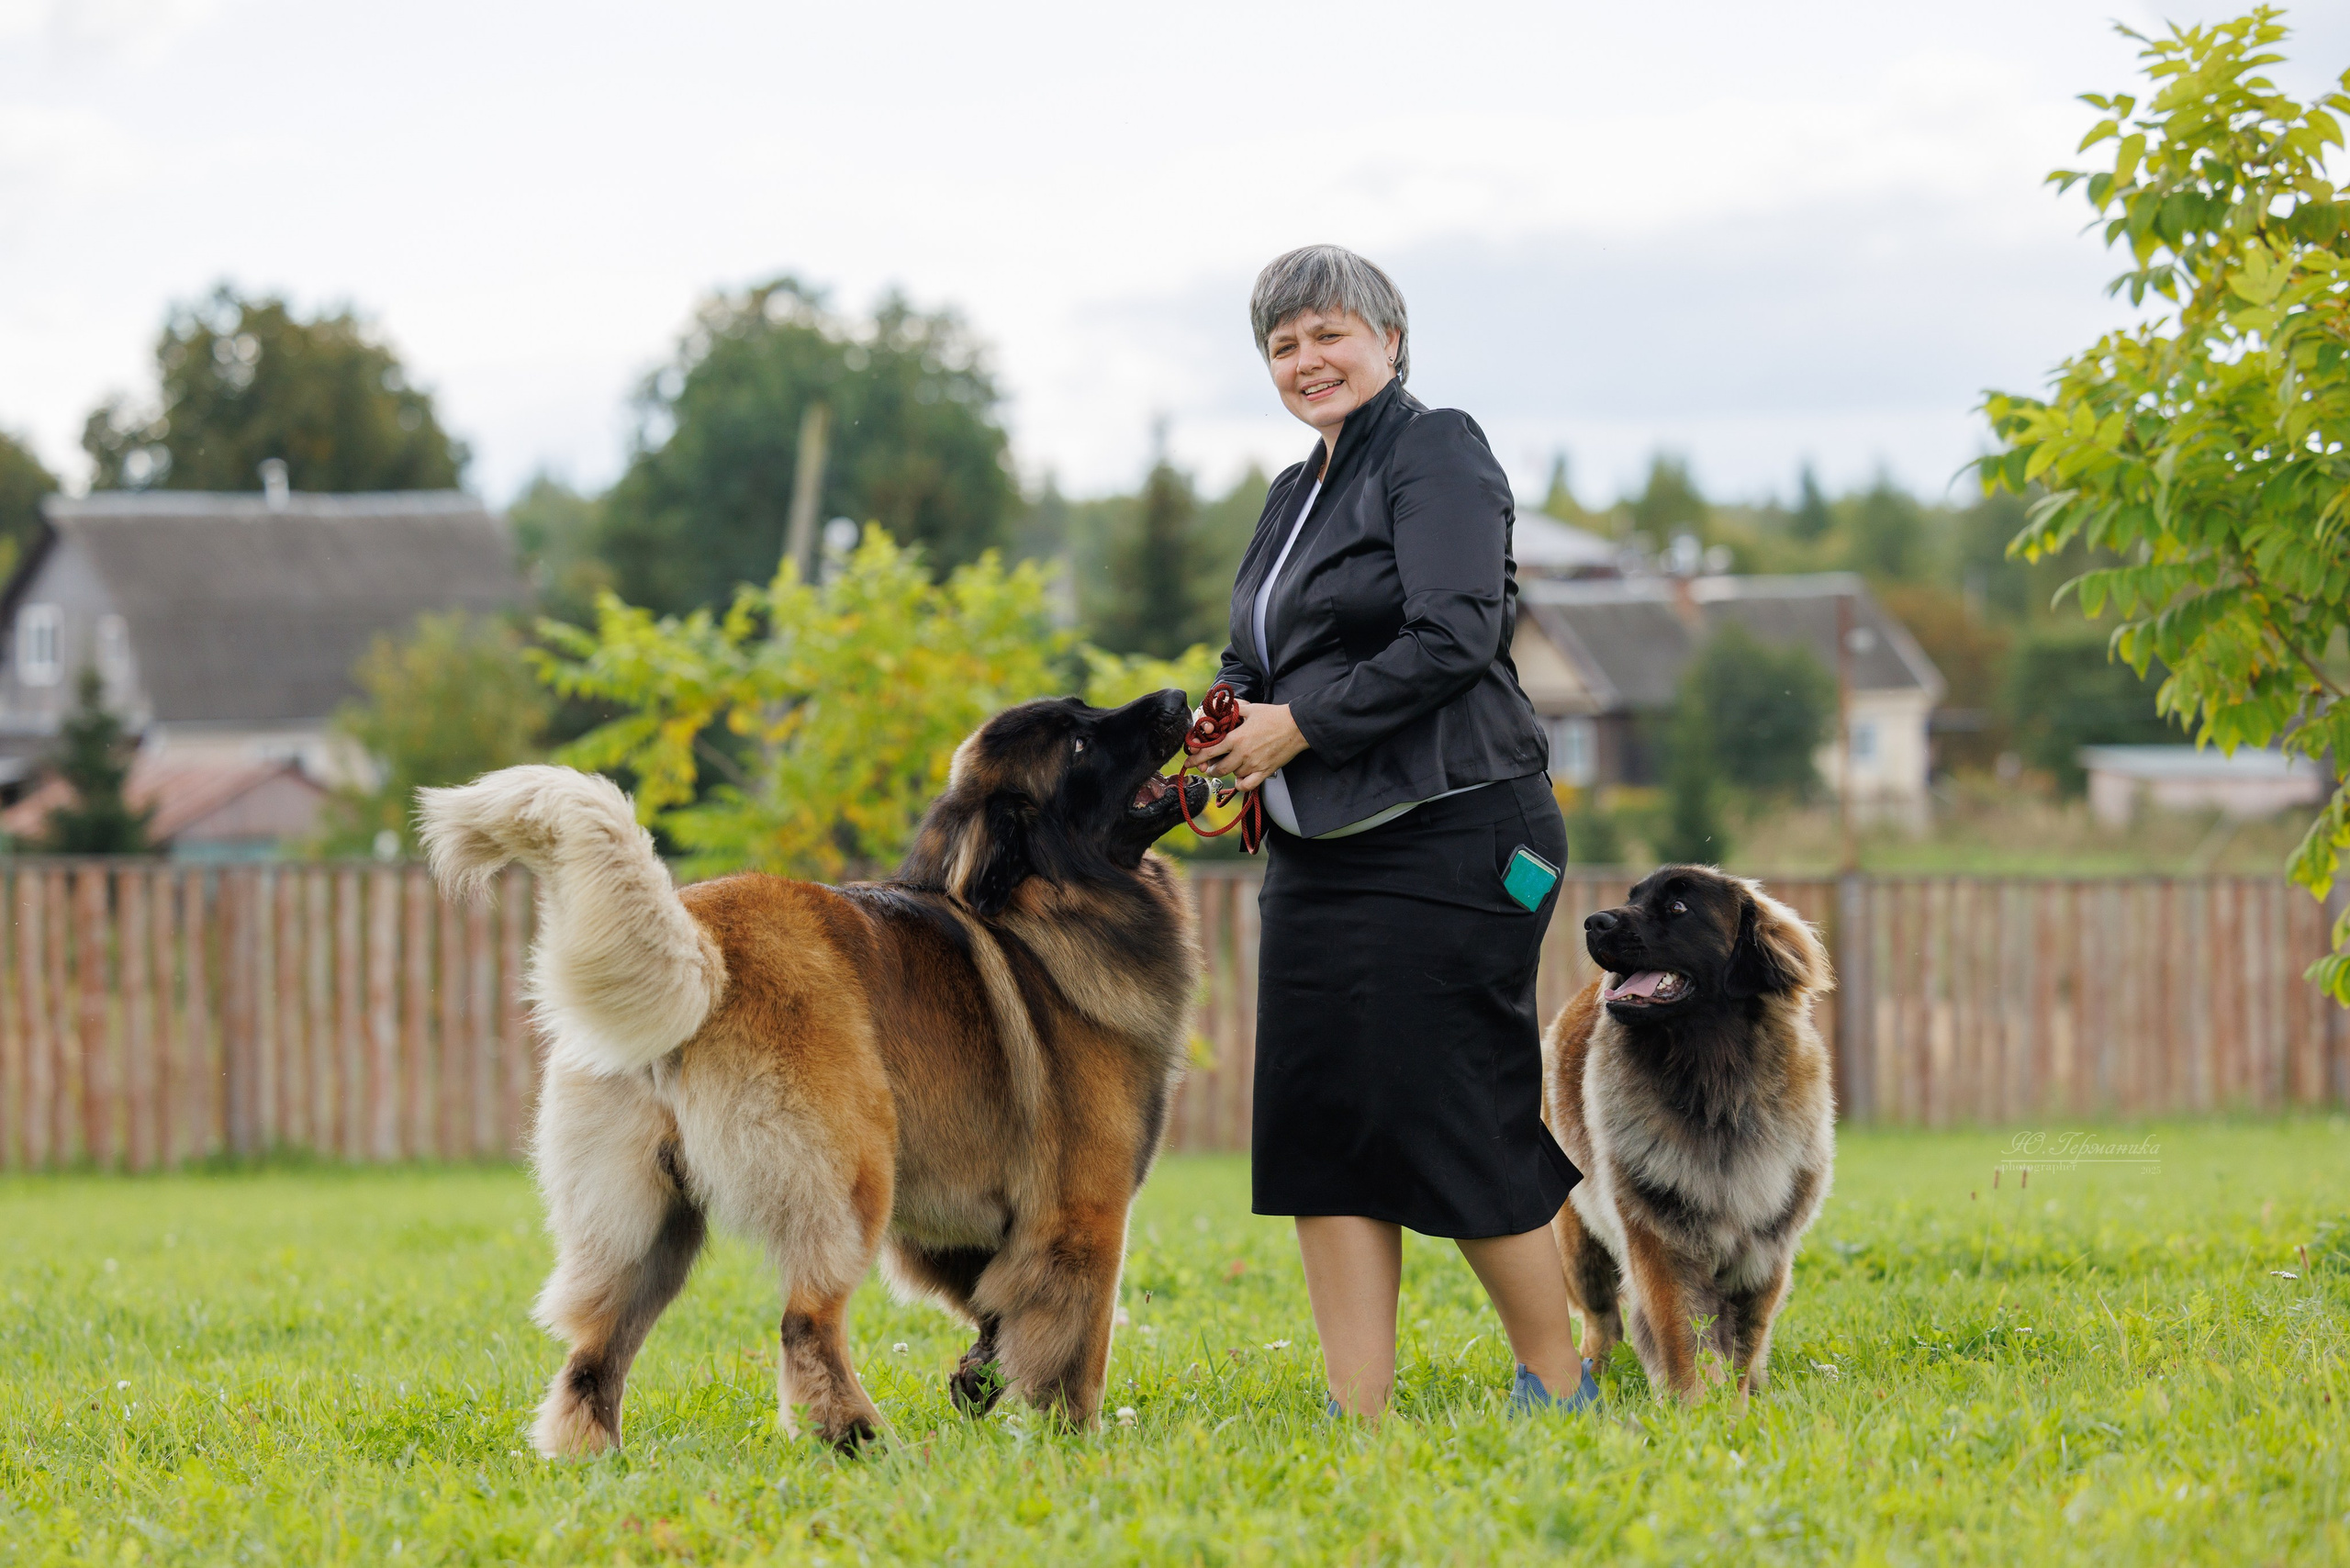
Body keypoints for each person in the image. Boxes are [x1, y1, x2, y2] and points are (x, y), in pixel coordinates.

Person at [1187, 244, 1595, 1418]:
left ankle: (1556, 1384)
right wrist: (1226, 737)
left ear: (1390, 339)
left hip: (1460, 831)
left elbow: (1456, 631)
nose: (1306, 359)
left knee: (1449, 1100)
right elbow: (1252, 655)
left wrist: (1297, 727)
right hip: (1321, 847)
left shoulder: (1436, 448)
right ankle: (1355, 1409)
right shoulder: (1290, 493)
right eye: (1282, 344)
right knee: (1320, 1120)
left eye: (1328, 332)